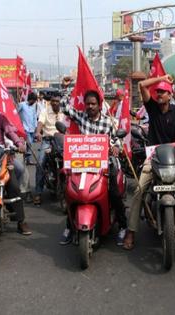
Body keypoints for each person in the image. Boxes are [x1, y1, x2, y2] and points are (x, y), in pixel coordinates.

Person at [123, 74, 175, 250]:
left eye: (163, 92)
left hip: (173, 158)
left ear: (170, 95)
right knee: (138, 190)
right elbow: (142, 85)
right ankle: (131, 231)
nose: (159, 94)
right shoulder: (151, 107)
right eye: (158, 92)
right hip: (153, 157)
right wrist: (161, 78)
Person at [58, 90, 128, 246]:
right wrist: (68, 88)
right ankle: (69, 226)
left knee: (115, 193)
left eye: (93, 104)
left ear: (99, 105)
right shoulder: (81, 117)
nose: (90, 106)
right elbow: (64, 107)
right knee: (69, 191)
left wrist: (116, 147)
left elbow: (117, 140)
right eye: (88, 103)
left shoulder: (108, 122)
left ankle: (123, 226)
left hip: (104, 164)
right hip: (81, 164)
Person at [0, 91, 31, 235]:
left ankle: (21, 221)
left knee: (14, 187)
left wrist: (19, 143)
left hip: (1, 159)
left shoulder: (0, 119)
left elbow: (11, 132)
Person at [33, 92, 65, 205]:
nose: (55, 103)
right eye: (53, 101)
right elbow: (40, 122)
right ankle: (38, 193)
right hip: (48, 140)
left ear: (61, 101)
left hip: (62, 141)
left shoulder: (65, 111)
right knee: (40, 163)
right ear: (50, 102)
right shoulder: (45, 111)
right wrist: (37, 132)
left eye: (57, 101)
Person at [18, 92, 38, 165]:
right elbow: (16, 113)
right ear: (31, 99)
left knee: (30, 145)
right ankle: (26, 157)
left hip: (32, 129)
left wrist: (36, 128)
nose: (35, 102)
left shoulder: (33, 107)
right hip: (25, 128)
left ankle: (27, 160)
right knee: (29, 142)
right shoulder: (22, 105)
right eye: (34, 100)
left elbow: (34, 118)